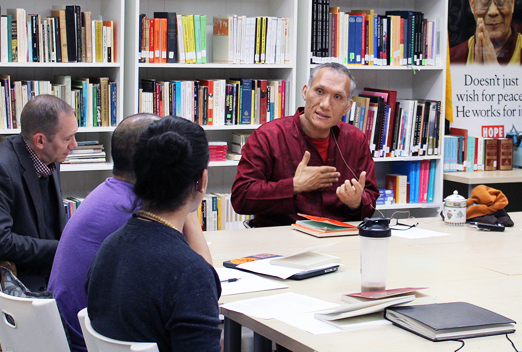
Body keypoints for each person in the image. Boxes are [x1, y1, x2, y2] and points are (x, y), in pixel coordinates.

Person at [49, 114, 213, 352]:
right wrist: (188, 201)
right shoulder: (188, 271)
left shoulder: (111, 242)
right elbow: (203, 279)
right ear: (202, 180)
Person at [232, 62, 378, 227]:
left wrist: (356, 203)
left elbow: (370, 200)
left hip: (339, 236)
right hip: (284, 235)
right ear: (305, 92)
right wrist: (294, 186)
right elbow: (241, 198)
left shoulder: (355, 139)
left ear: (347, 107)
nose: (325, 104)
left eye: (337, 97)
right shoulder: (268, 136)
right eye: (319, 91)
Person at [0, 94, 78, 291]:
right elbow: (2, 241)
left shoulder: (50, 156)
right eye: (67, 138)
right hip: (23, 282)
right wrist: (61, 248)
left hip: (54, 271)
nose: (74, 145)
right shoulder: (3, 169)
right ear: (40, 140)